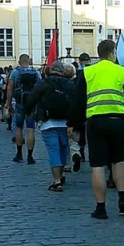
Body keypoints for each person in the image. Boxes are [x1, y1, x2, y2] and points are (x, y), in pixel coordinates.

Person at [72, 39, 124, 219]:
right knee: (118, 160)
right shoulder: (121, 71)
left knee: (97, 164)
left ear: (99, 53)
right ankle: (123, 200)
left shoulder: (87, 72)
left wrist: (74, 125)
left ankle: (101, 208)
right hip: (118, 121)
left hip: (96, 122)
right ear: (112, 53)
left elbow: (79, 101)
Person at [25, 60, 78, 192]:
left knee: (53, 150)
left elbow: (31, 99)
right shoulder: (70, 84)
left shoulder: (43, 83)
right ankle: (62, 173)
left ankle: (57, 181)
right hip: (66, 123)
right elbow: (76, 103)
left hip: (48, 122)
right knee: (63, 148)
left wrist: (29, 111)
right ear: (62, 71)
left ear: (51, 70)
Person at [7, 55, 41, 164]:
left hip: (19, 102)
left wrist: (8, 104)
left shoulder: (15, 72)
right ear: (29, 61)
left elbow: (10, 88)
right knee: (30, 129)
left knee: (19, 127)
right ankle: (30, 156)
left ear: (19, 62)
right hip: (32, 103)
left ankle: (19, 154)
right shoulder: (36, 73)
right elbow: (40, 88)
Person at [70, 52, 92, 171]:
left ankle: (81, 152)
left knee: (79, 130)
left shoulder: (79, 73)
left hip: (82, 105)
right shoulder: (94, 71)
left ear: (80, 61)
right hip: (93, 105)